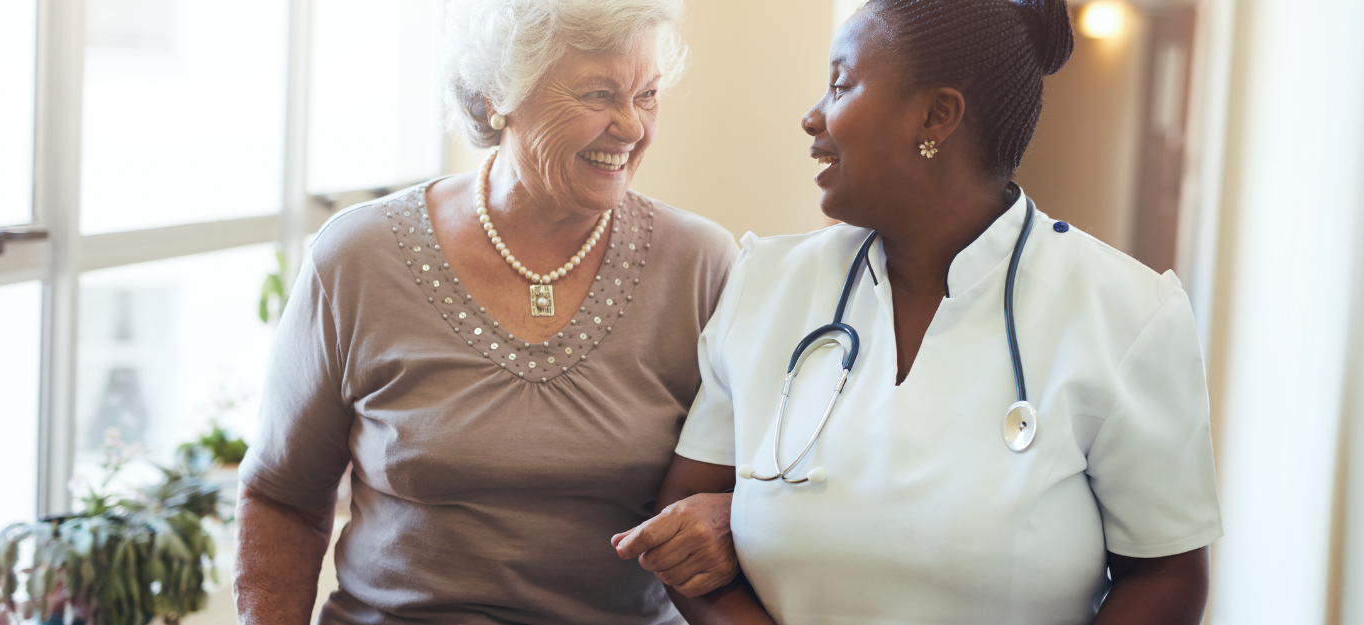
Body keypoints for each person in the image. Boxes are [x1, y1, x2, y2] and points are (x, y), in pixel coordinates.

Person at [615, 0, 1221, 622]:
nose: (812, 116)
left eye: (841, 84)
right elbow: (685, 524)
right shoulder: (766, 284)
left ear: (936, 115)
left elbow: (1166, 575)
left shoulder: (1128, 315)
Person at [233, 0, 740, 622]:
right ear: (493, 98)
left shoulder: (702, 265)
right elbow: (282, 496)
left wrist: (730, 516)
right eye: (599, 94)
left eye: (648, 94)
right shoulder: (360, 257)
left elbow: (762, 484)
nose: (633, 127)